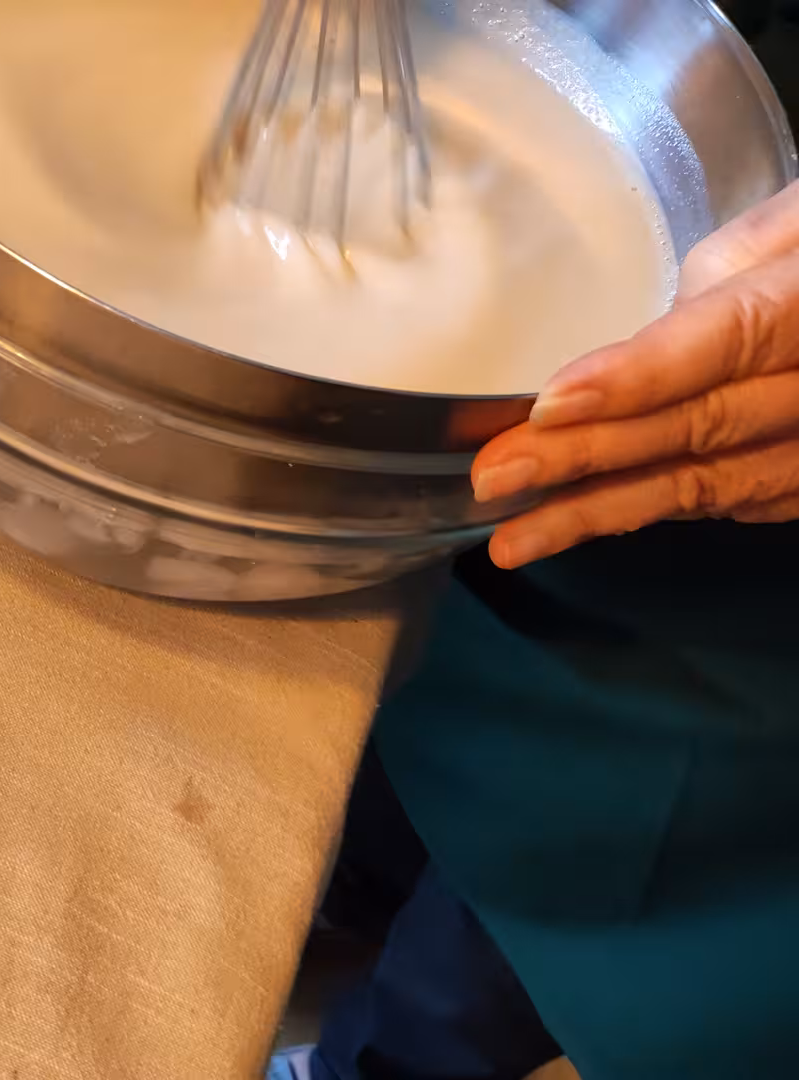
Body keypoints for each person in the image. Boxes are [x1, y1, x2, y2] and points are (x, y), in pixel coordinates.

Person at [272, 3, 799, 1076]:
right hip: (464, 491)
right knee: (371, 748)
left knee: (515, 925)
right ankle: (350, 885)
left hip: (726, 659)